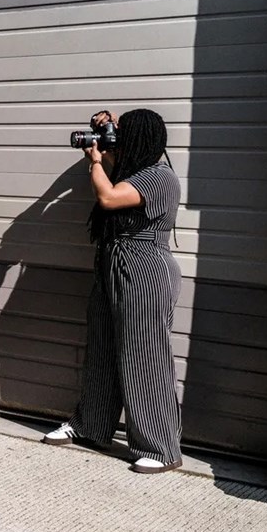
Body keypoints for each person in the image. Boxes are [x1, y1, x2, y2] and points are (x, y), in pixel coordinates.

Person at [42, 108, 183, 474]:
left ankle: (160, 447)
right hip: (113, 265)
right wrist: (102, 125)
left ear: (140, 139)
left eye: (124, 134)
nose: (115, 142)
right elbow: (111, 166)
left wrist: (93, 162)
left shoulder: (158, 177)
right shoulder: (133, 170)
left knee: (144, 356)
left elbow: (108, 197)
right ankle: (90, 425)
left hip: (145, 269)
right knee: (102, 349)